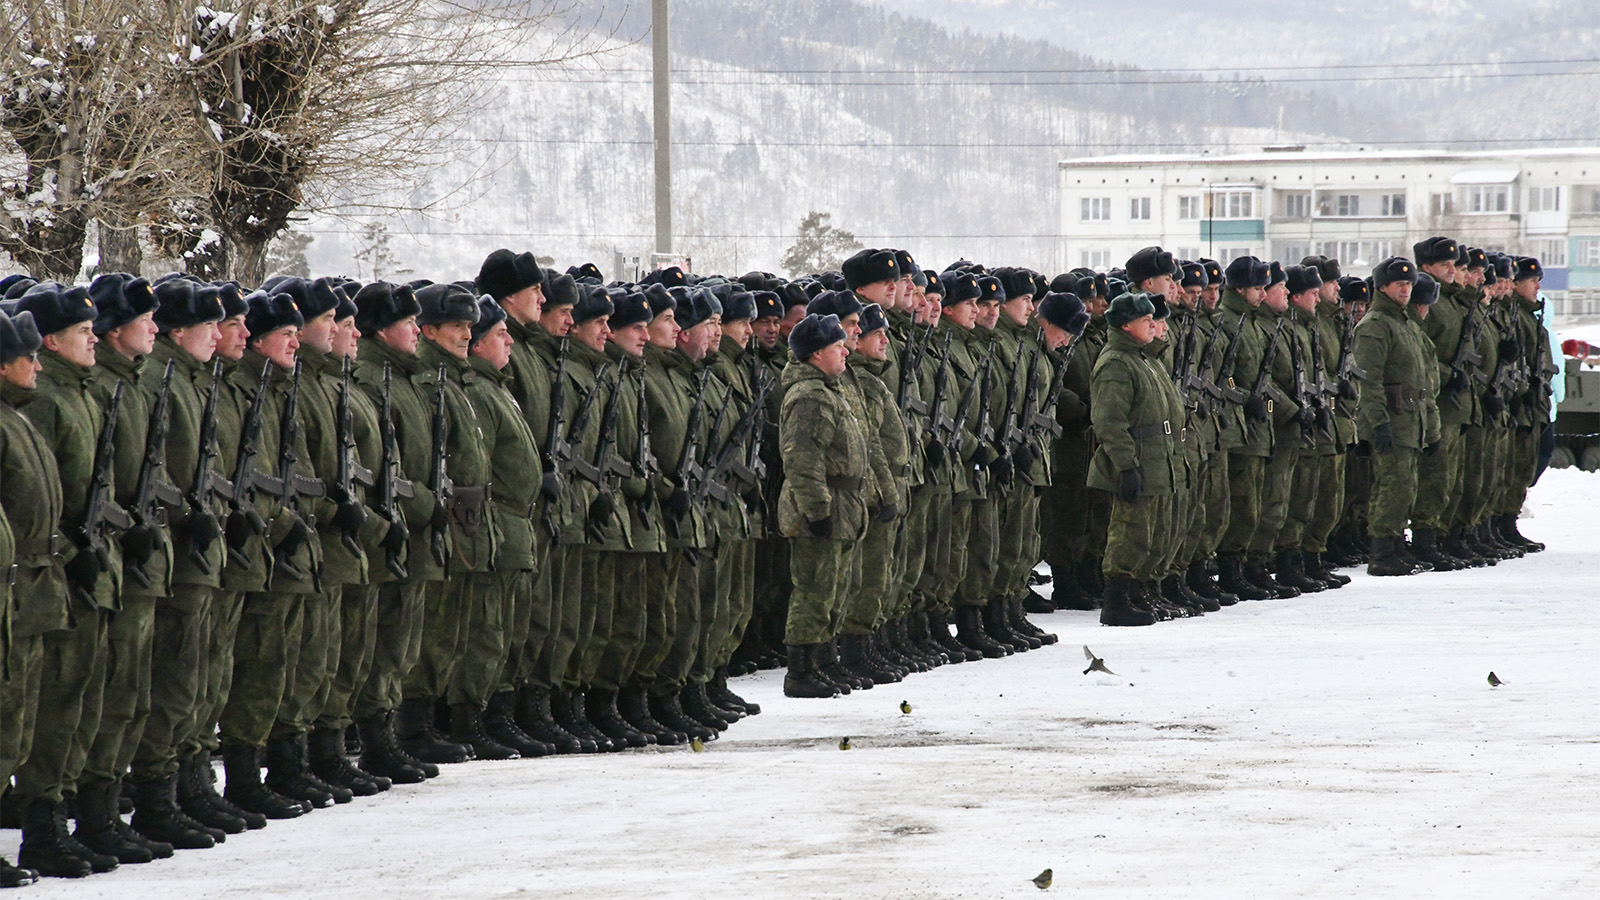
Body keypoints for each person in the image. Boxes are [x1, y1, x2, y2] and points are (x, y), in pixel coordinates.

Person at [12, 283, 122, 877]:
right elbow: (37, 504)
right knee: (54, 705)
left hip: (88, 566)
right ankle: (44, 830)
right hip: (53, 575)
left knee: (88, 697)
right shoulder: (47, 401)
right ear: (50, 341)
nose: (94, 339)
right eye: (83, 333)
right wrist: (73, 548)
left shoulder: (78, 394)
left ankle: (85, 817)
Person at [0, 308, 69, 883]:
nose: (37, 366)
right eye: (29, 357)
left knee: (19, 724)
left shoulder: (18, 420)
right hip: (12, 593)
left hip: (33, 590)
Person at [778, 313, 870, 697]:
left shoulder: (829, 389)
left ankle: (824, 662)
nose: (846, 350)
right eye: (837, 346)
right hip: (823, 505)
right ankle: (800, 671)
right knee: (814, 591)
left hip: (843, 504)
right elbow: (802, 460)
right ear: (817, 354)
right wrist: (817, 510)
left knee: (834, 590)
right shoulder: (810, 396)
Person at [1353, 257, 1440, 576]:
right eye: (1399, 284)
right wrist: (1378, 424)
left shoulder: (1405, 325)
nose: (1405, 289)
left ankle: (1396, 546)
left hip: (1410, 421)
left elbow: (1424, 381)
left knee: (1405, 486)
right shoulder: (1375, 326)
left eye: (1408, 285)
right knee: (1390, 486)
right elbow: (1368, 380)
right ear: (1383, 287)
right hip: (1390, 420)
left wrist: (1430, 429)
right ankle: (1381, 551)